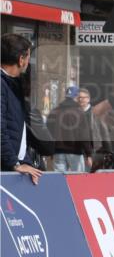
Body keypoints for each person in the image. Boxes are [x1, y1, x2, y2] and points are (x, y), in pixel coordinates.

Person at [0, 33, 43, 183]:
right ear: (21, 59)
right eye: (28, 57)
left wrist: (25, 162)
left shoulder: (13, 84)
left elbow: (18, 131)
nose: (28, 62)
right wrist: (14, 163)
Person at [47, 86, 93, 172]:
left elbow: (49, 132)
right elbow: (84, 135)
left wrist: (50, 150)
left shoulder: (54, 111)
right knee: (78, 180)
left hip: (58, 151)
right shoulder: (79, 112)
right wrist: (88, 154)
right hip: (75, 151)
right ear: (76, 97)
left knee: (59, 180)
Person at [77, 87, 114, 171]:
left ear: (89, 99)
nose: (80, 100)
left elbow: (104, 132)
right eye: (79, 97)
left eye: (83, 97)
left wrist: (108, 151)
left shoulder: (95, 112)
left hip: (95, 150)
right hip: (78, 152)